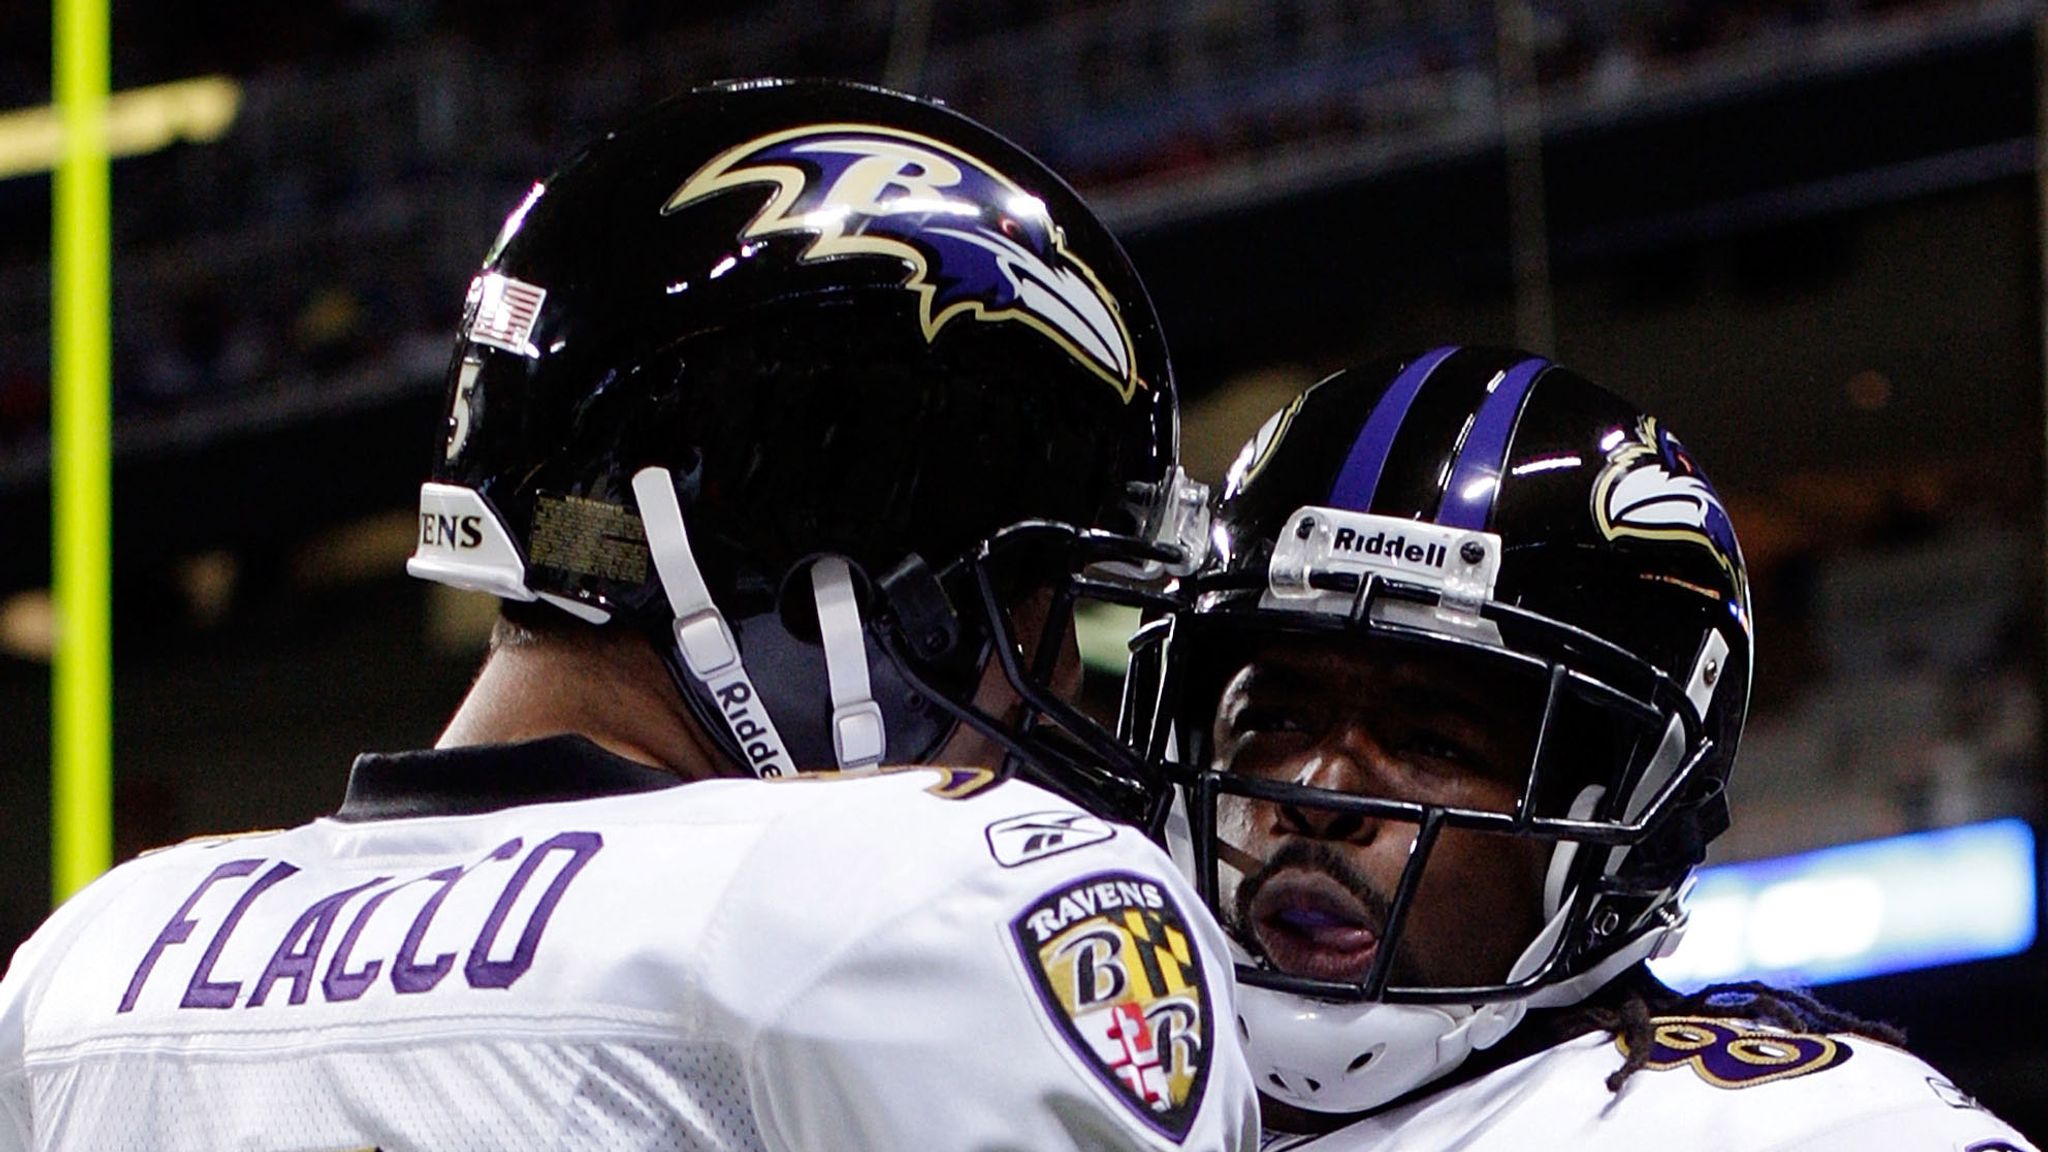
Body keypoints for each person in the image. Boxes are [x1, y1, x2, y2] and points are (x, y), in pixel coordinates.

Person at [0, 79, 1256, 1151]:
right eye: (1028, 619)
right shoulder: (915, 908)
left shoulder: (99, 963)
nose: (1061, 697)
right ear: (833, 593)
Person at [1121, 345, 2038, 1149]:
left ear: (1621, 815)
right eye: (1276, 720)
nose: (1318, 792)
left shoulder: (1796, 1130)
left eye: (1432, 740)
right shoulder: (1074, 1083)